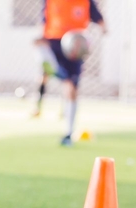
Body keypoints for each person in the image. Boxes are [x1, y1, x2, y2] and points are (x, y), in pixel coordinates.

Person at [39, 0, 106, 145]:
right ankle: (41, 100)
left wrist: (103, 27)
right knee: (47, 71)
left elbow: (97, 16)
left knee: (71, 87)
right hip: (54, 42)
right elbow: (44, 18)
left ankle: (68, 132)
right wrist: (42, 36)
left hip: (76, 44)